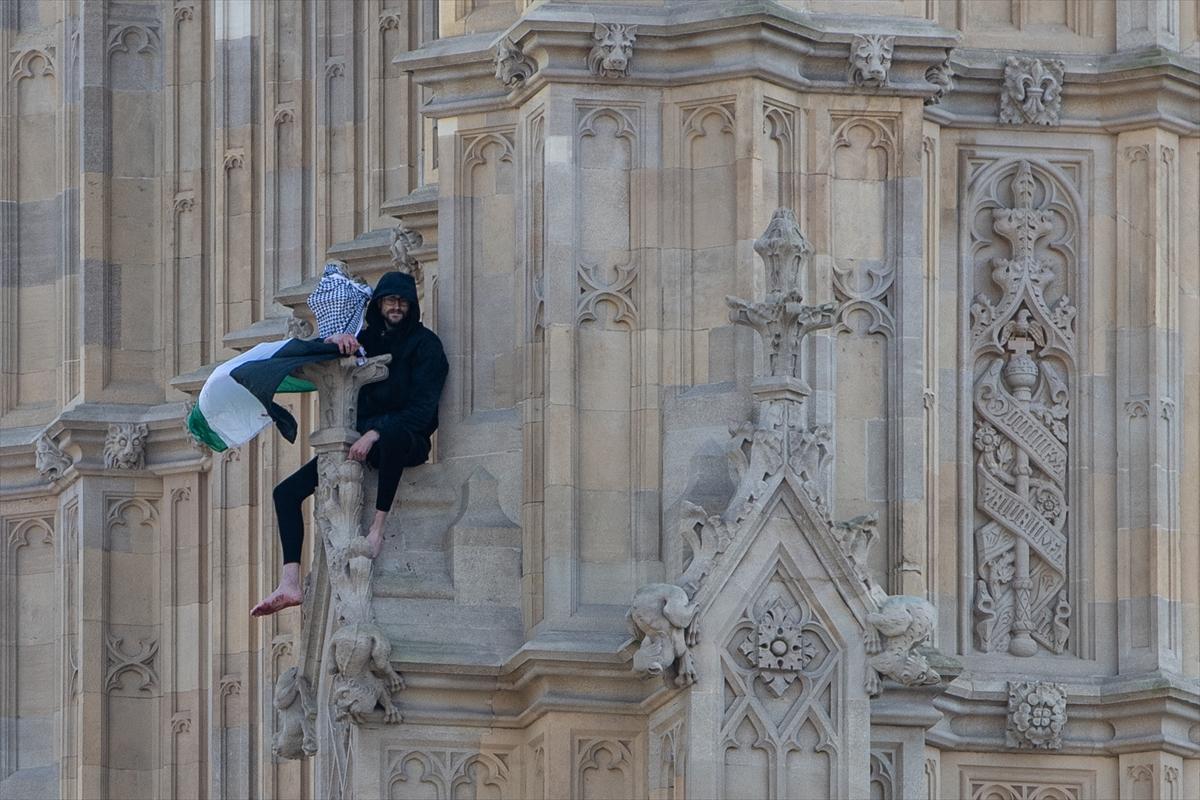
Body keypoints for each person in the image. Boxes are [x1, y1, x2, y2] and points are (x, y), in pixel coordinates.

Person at [251, 271, 448, 616]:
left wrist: (378, 432)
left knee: (393, 442)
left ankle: (377, 530)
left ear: (412, 306)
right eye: (390, 301)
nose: (396, 307)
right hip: (360, 441)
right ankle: (290, 581)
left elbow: (424, 410)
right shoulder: (366, 339)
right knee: (285, 492)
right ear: (380, 304)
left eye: (402, 301)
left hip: (406, 437)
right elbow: (322, 355)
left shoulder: (426, 345)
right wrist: (338, 341)